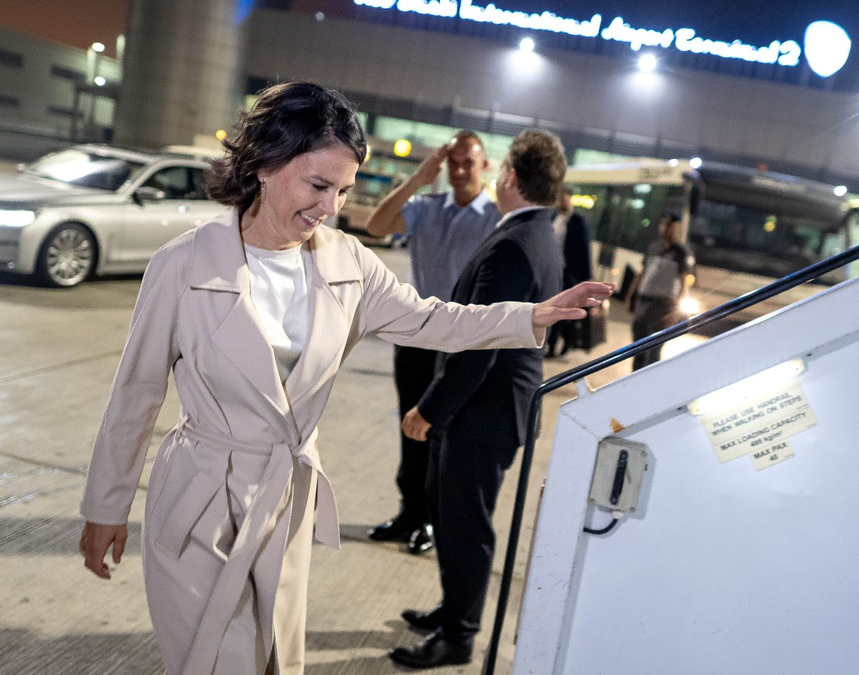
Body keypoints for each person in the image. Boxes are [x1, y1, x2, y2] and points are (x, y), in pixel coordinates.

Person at [77, 82, 613, 675]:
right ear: (263, 164)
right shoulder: (183, 264)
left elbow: (432, 319)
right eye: (318, 185)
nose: (331, 207)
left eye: (343, 191)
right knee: (218, 661)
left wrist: (530, 316)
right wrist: (106, 506)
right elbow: (136, 393)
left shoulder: (347, 262)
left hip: (283, 502)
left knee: (273, 660)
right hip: (199, 501)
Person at [389, 129, 571, 669]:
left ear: (510, 177)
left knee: (465, 526)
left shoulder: (515, 244)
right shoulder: (535, 233)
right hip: (489, 409)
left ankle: (458, 636)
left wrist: (429, 409)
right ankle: (453, 611)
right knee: (450, 513)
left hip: (483, 411)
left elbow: (480, 343)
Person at [364, 130, 501, 555]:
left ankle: (432, 519)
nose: (459, 171)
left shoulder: (495, 218)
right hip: (416, 335)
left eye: (468, 163)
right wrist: (418, 179)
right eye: (452, 163)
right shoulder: (426, 207)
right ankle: (410, 512)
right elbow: (376, 226)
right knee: (410, 426)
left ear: (485, 166)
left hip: (461, 342)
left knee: (442, 431)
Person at [629, 212, 695, 370]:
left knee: (654, 347)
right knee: (637, 345)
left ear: (677, 229)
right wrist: (630, 295)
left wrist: (678, 309)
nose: (666, 229)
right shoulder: (653, 247)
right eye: (664, 225)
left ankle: (649, 378)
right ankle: (634, 377)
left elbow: (683, 281)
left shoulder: (681, 252)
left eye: (671, 226)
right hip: (644, 300)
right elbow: (642, 273)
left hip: (662, 305)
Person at [545, 187, 594, 357]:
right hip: (553, 271)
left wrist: (587, 277)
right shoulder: (553, 218)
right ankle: (551, 345)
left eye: (564, 198)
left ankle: (566, 342)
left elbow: (584, 250)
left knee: (564, 311)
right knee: (552, 308)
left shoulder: (578, 221)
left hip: (569, 274)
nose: (561, 202)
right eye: (559, 198)